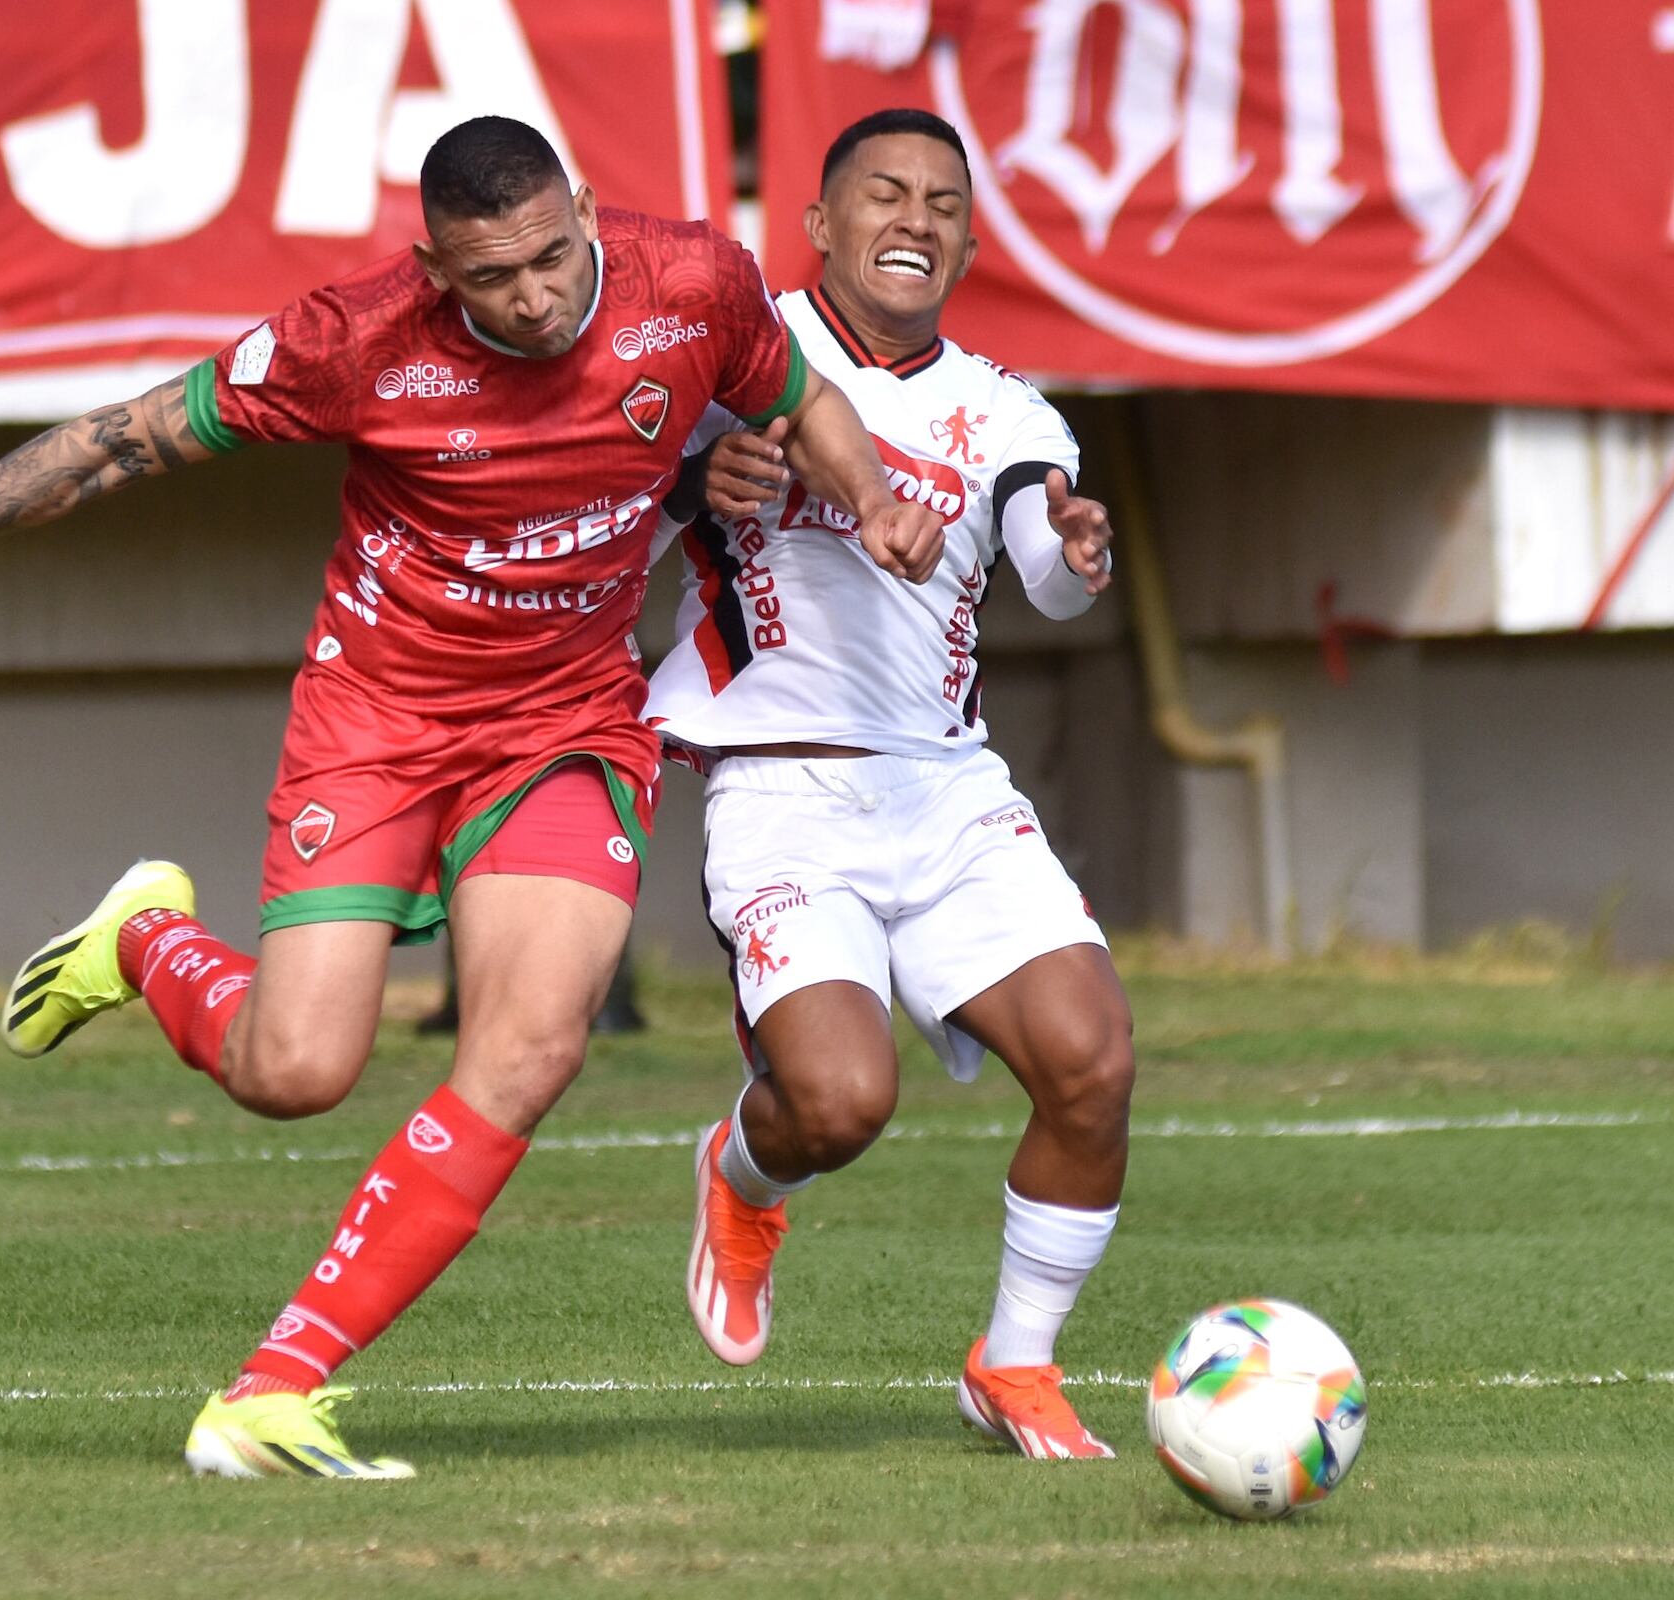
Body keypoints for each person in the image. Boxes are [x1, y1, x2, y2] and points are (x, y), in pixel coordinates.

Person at [0, 116, 943, 1480]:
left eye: (551, 259)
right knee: (294, 1073)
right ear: (432, 264)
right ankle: (144, 941)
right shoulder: (359, 338)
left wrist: (869, 491)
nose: (530, 297)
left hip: (562, 723)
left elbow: (796, 391)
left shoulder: (691, 282)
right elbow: (118, 441)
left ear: (585, 205)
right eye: (489, 277)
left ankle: (274, 1391)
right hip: (378, 725)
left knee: (528, 1050)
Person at [645, 109, 1133, 1460]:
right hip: (784, 795)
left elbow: (1040, 548)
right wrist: (702, 479)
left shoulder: (1006, 412)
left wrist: (1075, 541)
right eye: (884, 194)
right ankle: (741, 1178)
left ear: (970, 243)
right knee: (840, 1106)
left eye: (942, 204)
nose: (915, 219)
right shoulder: (744, 357)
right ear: (817, 225)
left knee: (1092, 1066)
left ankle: (1015, 1367)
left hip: (948, 795)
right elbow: (616, 505)